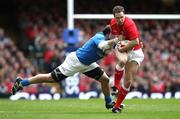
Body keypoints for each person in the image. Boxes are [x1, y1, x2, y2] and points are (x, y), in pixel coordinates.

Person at [11, 26, 121, 109]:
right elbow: (102, 46)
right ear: (109, 34)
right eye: (114, 34)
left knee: (105, 79)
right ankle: (21, 82)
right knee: (50, 78)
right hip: (75, 62)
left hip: (87, 64)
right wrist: (116, 42)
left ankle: (108, 102)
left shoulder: (110, 42)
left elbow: (116, 52)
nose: (116, 36)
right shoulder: (99, 37)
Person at [109, 5, 144, 113]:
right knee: (122, 61)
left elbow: (135, 42)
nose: (120, 20)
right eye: (117, 18)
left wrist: (124, 47)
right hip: (123, 47)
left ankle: (116, 106)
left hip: (135, 51)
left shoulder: (129, 24)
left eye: (121, 17)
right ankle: (115, 86)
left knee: (128, 81)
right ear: (114, 17)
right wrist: (116, 45)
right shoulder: (113, 23)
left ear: (124, 15)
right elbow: (114, 37)